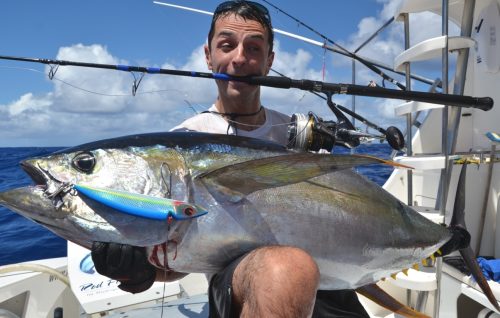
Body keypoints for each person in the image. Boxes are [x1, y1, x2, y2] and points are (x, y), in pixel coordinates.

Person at [92, 1, 370, 317]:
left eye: (254, 48)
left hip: (327, 283)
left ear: (269, 61)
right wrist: (138, 271)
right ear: (209, 55)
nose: (239, 59)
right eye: (227, 45)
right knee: (287, 268)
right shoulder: (180, 145)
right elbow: (183, 256)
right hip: (240, 287)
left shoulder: (296, 135)